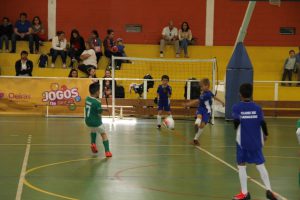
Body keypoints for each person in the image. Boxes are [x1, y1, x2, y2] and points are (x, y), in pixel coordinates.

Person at [231, 83, 278, 200]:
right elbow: (263, 123)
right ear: (251, 94)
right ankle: (269, 189)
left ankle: (244, 193)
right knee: (260, 165)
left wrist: (239, 126)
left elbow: (236, 123)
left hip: (242, 142)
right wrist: (265, 134)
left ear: (240, 94)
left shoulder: (236, 107)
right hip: (256, 141)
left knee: (241, 165)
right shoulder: (257, 108)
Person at [183, 78, 224, 146]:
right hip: (201, 108)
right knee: (199, 116)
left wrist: (221, 101)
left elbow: (213, 97)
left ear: (207, 86)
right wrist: (188, 104)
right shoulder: (205, 93)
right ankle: (196, 124)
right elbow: (198, 100)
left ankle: (195, 139)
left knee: (202, 126)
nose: (201, 88)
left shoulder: (207, 94)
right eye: (200, 86)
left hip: (207, 111)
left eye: (202, 86)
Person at [85, 82, 112, 157]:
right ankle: (107, 152)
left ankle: (93, 143)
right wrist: (104, 110)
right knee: (103, 134)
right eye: (99, 91)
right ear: (97, 92)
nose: (99, 92)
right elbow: (99, 112)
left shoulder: (87, 99)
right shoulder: (97, 102)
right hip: (96, 122)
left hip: (88, 121)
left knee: (93, 130)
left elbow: (93, 107)